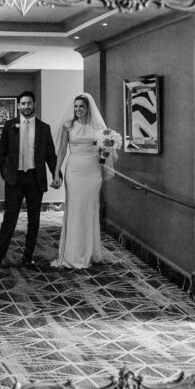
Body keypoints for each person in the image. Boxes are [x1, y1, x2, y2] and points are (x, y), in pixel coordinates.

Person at [0, 90, 59, 268]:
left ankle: (28, 257)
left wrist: (56, 174)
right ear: (18, 106)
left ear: (34, 104)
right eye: (23, 104)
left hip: (35, 178)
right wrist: (6, 173)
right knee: (9, 217)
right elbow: (2, 153)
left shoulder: (44, 128)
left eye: (29, 103)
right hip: (14, 179)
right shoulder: (9, 126)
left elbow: (50, 155)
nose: (26, 106)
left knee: (34, 219)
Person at [51, 92, 116, 270]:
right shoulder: (68, 125)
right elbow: (62, 151)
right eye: (76, 106)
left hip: (93, 171)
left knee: (90, 209)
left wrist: (107, 149)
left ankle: (91, 252)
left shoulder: (98, 128)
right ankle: (72, 254)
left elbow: (104, 153)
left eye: (81, 107)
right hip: (74, 170)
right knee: (75, 209)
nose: (78, 109)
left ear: (88, 109)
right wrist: (56, 173)